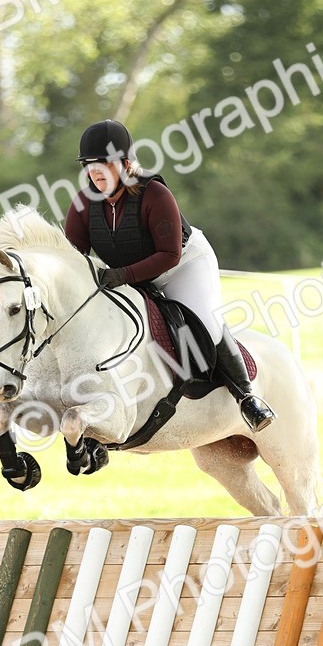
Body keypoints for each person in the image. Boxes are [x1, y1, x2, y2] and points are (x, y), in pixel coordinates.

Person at [63, 119, 277, 432]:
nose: (95, 173)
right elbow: (73, 258)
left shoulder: (155, 195)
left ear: (124, 164)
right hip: (132, 275)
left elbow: (168, 255)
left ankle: (246, 396)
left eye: (103, 165)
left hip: (184, 265)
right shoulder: (83, 205)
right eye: (89, 166)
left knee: (203, 317)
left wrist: (121, 275)